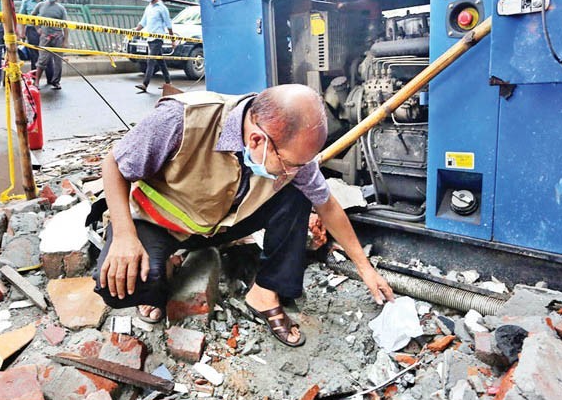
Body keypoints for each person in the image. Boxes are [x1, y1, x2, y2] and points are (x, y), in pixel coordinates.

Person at [93, 84, 394, 347]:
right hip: (159, 224)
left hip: (218, 225)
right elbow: (113, 165)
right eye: (291, 164)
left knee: (298, 194)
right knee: (120, 286)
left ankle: (264, 293)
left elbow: (326, 204)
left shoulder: (288, 152)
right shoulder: (181, 119)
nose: (296, 171)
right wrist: (124, 235)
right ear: (256, 141)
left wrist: (365, 268)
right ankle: (167, 264)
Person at [134, 0, 174, 94]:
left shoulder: (162, 8)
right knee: (160, 61)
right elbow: (143, 22)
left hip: (158, 37)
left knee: (151, 60)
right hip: (150, 38)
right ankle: (168, 82)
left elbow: (168, 24)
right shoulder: (148, 8)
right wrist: (134, 31)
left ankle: (145, 84)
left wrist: (172, 40)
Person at [31, 0, 68, 90]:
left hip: (57, 37)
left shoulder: (60, 8)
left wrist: (65, 40)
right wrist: (37, 28)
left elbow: (66, 25)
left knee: (58, 62)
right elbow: (32, 17)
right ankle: (36, 82)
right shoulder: (40, 5)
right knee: (42, 60)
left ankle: (55, 82)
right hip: (45, 36)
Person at [17, 0, 42, 75]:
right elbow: (21, 18)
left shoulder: (45, 2)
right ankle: (34, 77)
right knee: (34, 55)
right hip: (31, 30)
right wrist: (21, 32)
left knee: (46, 55)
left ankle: (51, 79)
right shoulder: (26, 2)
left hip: (44, 30)